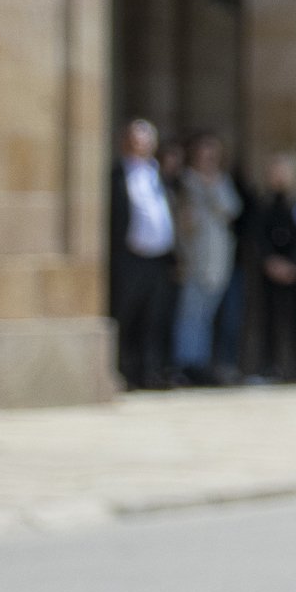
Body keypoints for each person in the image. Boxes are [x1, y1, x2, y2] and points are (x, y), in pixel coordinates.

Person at [107, 116, 177, 390]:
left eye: (147, 138)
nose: (142, 143)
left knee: (154, 317)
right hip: (130, 258)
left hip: (158, 259)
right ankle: (124, 371)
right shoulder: (117, 174)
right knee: (127, 315)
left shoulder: (158, 173)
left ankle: (150, 372)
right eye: (136, 138)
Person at [169, 132, 241, 387]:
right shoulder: (187, 181)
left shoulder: (221, 181)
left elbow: (232, 209)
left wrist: (212, 185)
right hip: (194, 256)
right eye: (204, 153)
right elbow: (184, 221)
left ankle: (202, 363)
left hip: (218, 258)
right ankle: (187, 364)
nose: (208, 158)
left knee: (207, 315)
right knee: (190, 315)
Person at [245, 152, 296, 382]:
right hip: (270, 269)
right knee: (270, 319)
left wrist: (295, 264)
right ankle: (269, 368)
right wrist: (270, 261)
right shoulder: (265, 202)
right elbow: (258, 235)